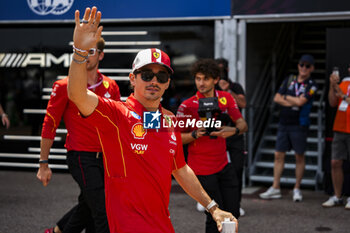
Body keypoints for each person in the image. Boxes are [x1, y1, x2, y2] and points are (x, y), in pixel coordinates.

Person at [67, 6, 237, 233]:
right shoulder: (115, 114)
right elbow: (77, 94)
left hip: (162, 225)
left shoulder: (168, 120)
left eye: (161, 76)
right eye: (146, 75)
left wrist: (214, 208)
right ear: (132, 79)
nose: (154, 81)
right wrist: (79, 53)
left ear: (167, 83)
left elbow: (181, 169)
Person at [37, 36, 120, 233]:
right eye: (82, 51)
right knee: (103, 209)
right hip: (81, 156)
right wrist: (43, 163)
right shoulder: (64, 86)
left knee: (88, 206)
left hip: (107, 158)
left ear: (101, 55)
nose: (86, 56)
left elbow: (117, 125)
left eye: (91, 51)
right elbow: (50, 124)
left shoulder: (111, 86)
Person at [176, 58, 247, 233]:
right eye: (198, 78)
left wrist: (232, 130)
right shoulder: (187, 105)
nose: (201, 83)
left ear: (215, 80)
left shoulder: (226, 98)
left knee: (233, 213)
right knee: (214, 217)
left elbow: (243, 125)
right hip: (201, 170)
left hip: (224, 165)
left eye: (205, 79)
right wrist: (194, 134)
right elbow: (175, 138)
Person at [259, 54, 318, 202]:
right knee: (278, 155)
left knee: (299, 156)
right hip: (284, 122)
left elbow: (301, 102)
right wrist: (293, 100)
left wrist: (287, 98)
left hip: (300, 124)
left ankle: (296, 188)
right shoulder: (290, 79)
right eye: (301, 64)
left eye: (307, 66)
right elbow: (277, 98)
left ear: (312, 68)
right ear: (298, 65)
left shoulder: (312, 84)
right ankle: (275, 187)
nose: (303, 68)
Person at [216, 58, 247, 217]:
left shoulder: (235, 86)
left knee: (237, 168)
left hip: (234, 133)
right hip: (216, 134)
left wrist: (228, 91)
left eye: (223, 69)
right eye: (218, 70)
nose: (221, 73)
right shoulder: (211, 88)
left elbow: (243, 104)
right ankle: (212, 202)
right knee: (212, 168)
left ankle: (236, 203)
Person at [322, 66, 350, 209]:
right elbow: (333, 102)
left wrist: (343, 95)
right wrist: (333, 86)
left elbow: (345, 99)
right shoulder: (344, 82)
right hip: (340, 128)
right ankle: (337, 196)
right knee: (335, 162)